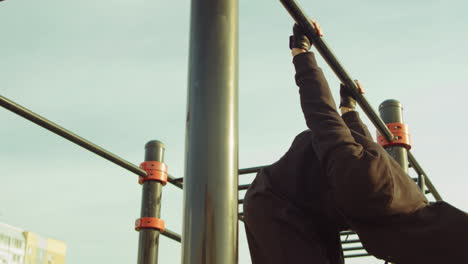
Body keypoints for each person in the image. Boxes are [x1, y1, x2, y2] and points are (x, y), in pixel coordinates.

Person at [243, 21, 468, 264]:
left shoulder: (410, 201)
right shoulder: (370, 192)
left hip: (316, 212)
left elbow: (363, 145)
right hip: (275, 201)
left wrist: (350, 110)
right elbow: (323, 119)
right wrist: (302, 54)